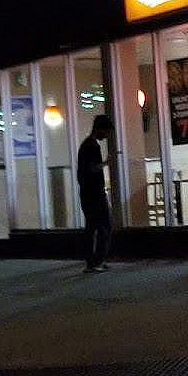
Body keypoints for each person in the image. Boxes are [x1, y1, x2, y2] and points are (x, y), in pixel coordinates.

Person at [77, 114, 114, 273]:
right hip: (95, 193)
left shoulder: (85, 145)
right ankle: (97, 261)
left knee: (91, 227)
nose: (106, 136)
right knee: (104, 225)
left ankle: (92, 262)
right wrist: (106, 163)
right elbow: (92, 168)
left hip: (87, 192)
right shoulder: (92, 146)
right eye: (106, 132)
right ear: (99, 129)